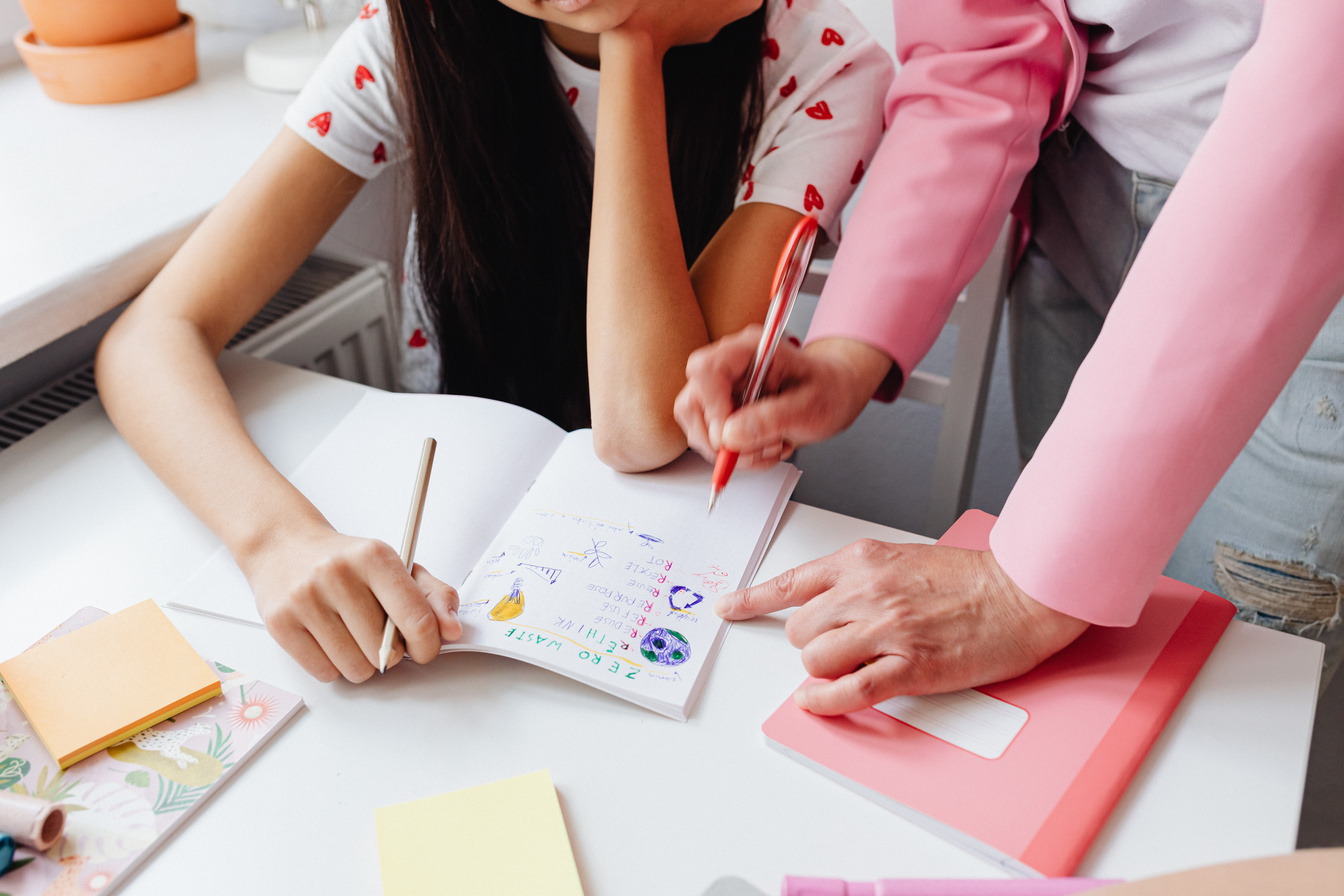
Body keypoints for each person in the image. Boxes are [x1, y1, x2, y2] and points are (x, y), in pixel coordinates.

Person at [95, 0, 892, 684]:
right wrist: (276, 540)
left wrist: (634, 44)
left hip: (677, 568)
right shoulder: (424, 32)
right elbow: (150, 338)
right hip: (451, 557)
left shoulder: (818, 60)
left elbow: (641, 424)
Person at [675, 0, 1344, 714]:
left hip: (1312, 247)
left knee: (1219, 713)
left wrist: (1023, 586)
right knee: (1078, 699)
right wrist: (847, 351)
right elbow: (980, 48)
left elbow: (1323, 96)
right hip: (1079, 201)